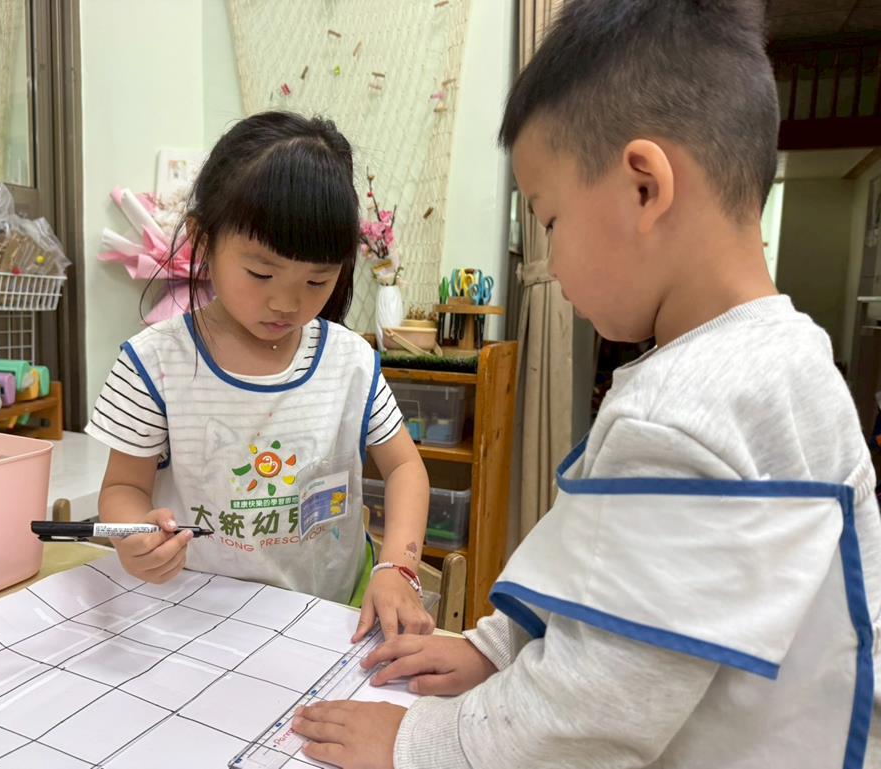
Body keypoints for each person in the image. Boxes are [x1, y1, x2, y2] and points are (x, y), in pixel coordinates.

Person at [292, 1, 881, 766]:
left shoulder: (682, 409)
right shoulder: (791, 353)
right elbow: (609, 573)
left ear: (644, 188)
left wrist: (417, 741)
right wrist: (496, 648)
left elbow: (595, 709)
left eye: (549, 220)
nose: (552, 258)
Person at [86, 111, 434, 640]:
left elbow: (405, 467)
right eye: (261, 273)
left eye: (317, 281)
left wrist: (398, 567)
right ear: (204, 241)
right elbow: (123, 487)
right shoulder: (154, 364)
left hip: (327, 614)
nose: (286, 303)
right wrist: (134, 537)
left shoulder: (349, 362)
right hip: (200, 617)